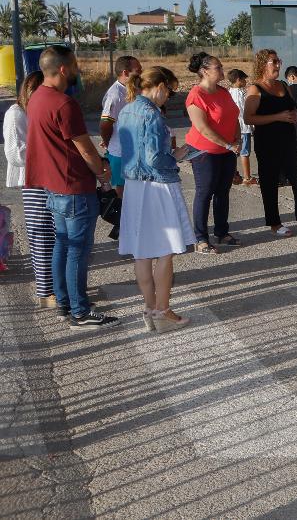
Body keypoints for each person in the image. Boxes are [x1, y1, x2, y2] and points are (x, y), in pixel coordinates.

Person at [25, 46, 116, 328]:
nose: (78, 69)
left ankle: (64, 304)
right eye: (75, 64)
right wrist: (103, 174)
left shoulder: (37, 97)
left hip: (54, 187)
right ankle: (80, 311)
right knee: (77, 249)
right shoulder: (64, 104)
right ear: (63, 69)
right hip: (74, 186)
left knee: (63, 245)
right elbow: (85, 149)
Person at [116, 66, 197, 333]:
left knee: (142, 252)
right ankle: (163, 310)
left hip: (134, 186)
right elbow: (154, 157)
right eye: (169, 91)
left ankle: (150, 309)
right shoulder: (152, 115)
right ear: (159, 86)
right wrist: (177, 155)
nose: (169, 97)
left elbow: (118, 149)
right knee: (165, 251)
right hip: (157, 187)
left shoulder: (127, 109)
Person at [243, 49, 297, 237]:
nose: (279, 65)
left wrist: (294, 114)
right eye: (274, 62)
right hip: (267, 143)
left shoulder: (283, 85)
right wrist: (278, 117)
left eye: (279, 61)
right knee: (269, 183)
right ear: (263, 64)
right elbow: (248, 118)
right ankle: (275, 223)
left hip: (289, 140)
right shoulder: (255, 89)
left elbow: (292, 108)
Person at [7, 72, 55, 308]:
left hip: (52, 179)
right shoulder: (16, 113)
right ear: (29, 90)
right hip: (33, 181)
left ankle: (55, 285)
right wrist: (50, 151)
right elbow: (15, 153)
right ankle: (45, 292)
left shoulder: (42, 110)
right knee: (41, 236)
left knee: (55, 235)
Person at [185, 52, 242, 254]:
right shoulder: (196, 95)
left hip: (227, 149)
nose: (222, 70)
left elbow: (233, 115)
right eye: (218, 67)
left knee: (223, 192)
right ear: (204, 71)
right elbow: (202, 128)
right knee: (205, 192)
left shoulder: (223, 91)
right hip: (204, 151)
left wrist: (237, 138)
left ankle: (222, 232)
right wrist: (228, 144)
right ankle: (200, 238)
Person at [99, 55, 141, 198]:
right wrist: (107, 141)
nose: (141, 72)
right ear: (125, 72)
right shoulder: (115, 94)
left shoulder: (135, 89)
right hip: (120, 152)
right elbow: (105, 124)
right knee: (121, 193)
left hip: (135, 151)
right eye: (138, 70)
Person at [227, 69, 256, 185]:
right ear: (239, 80)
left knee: (234, 151)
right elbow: (245, 111)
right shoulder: (241, 93)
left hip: (232, 127)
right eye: (244, 79)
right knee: (245, 152)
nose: (245, 81)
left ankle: (233, 174)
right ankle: (247, 177)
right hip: (243, 127)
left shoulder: (229, 92)